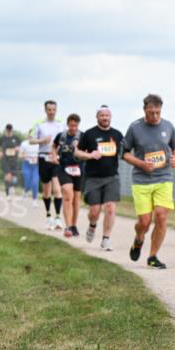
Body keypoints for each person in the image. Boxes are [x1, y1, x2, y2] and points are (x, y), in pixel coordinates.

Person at [123, 94, 175, 269]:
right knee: (145, 222)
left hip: (164, 178)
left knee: (161, 217)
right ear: (144, 110)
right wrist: (141, 163)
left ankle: (153, 256)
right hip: (141, 180)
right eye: (151, 112)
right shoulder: (135, 128)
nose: (154, 116)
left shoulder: (168, 126)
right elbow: (124, 153)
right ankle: (139, 239)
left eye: (157, 112)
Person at [76, 106, 124, 250]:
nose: (104, 118)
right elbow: (77, 152)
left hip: (112, 177)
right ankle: (92, 226)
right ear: (97, 117)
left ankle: (106, 238)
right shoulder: (89, 134)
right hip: (93, 178)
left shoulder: (117, 134)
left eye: (107, 115)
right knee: (94, 211)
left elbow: (125, 152)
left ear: (111, 117)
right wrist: (90, 155)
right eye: (101, 115)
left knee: (110, 208)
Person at [29, 100, 65, 230]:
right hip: (43, 157)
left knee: (57, 188)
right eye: (49, 110)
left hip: (56, 158)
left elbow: (66, 139)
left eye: (53, 109)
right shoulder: (39, 124)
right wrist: (42, 140)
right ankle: (48, 215)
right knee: (46, 190)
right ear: (45, 110)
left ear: (56, 110)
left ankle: (58, 218)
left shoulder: (61, 124)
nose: (51, 112)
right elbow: (30, 140)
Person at [51, 114, 83, 237]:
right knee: (67, 194)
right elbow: (54, 146)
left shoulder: (82, 136)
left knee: (76, 200)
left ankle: (74, 225)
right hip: (63, 168)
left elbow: (88, 150)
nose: (73, 128)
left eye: (75, 125)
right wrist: (54, 156)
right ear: (67, 124)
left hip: (79, 169)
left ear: (78, 125)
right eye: (71, 125)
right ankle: (68, 227)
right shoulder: (61, 136)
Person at [0, 124, 20, 198]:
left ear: (12, 130)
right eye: (8, 130)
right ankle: (8, 193)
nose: (9, 132)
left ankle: (11, 186)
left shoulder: (16, 138)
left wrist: (17, 149)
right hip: (5, 160)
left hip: (14, 160)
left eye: (10, 130)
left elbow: (20, 146)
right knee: (7, 176)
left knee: (13, 177)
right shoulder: (2, 138)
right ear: (6, 130)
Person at [19, 136, 40, 205]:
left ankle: (34, 199)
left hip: (36, 166)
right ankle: (25, 191)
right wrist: (26, 156)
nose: (31, 137)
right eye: (30, 136)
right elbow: (20, 155)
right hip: (26, 165)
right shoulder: (24, 144)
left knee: (35, 182)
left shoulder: (39, 144)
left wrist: (38, 158)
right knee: (27, 181)